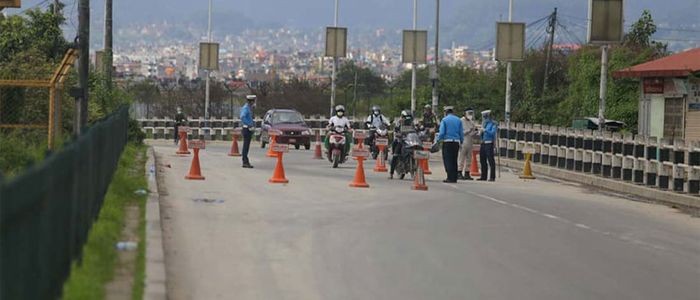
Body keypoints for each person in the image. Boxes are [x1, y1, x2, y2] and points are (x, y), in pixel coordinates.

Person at [434, 106, 463, 183]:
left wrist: (438, 139)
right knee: (454, 160)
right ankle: (455, 177)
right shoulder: (458, 120)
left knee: (448, 160)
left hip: (447, 142)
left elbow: (442, 132)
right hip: (456, 142)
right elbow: (461, 132)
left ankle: (449, 177)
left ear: (446, 112)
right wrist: (461, 141)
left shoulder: (444, 120)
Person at [389, 110, 415, 179]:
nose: (407, 119)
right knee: (395, 155)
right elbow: (395, 131)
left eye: (409, 118)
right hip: (401, 141)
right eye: (406, 117)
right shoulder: (399, 123)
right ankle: (391, 173)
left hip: (410, 141)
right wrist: (398, 134)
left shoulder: (412, 123)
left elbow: (415, 130)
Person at [457, 108, 477, 180]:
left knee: (469, 158)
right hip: (463, 141)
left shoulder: (472, 122)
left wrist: (475, 132)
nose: (470, 115)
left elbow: (473, 132)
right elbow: (460, 132)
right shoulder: (460, 121)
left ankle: (467, 172)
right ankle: (459, 172)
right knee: (461, 158)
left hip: (470, 141)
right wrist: (468, 131)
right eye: (469, 113)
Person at [478, 110, 498, 181]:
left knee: (490, 160)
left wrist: (485, 130)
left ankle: (492, 176)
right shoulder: (484, 123)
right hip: (483, 143)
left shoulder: (493, 124)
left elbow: (493, 133)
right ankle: (483, 176)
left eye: (485, 116)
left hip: (489, 143)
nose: (484, 118)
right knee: (482, 160)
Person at [240, 95, 256, 168]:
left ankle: (245, 160)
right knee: (246, 146)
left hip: (248, 128)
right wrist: (248, 124)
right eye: (253, 101)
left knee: (247, 146)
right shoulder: (246, 108)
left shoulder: (249, 108)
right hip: (246, 128)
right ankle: (245, 161)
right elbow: (242, 117)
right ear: (251, 101)